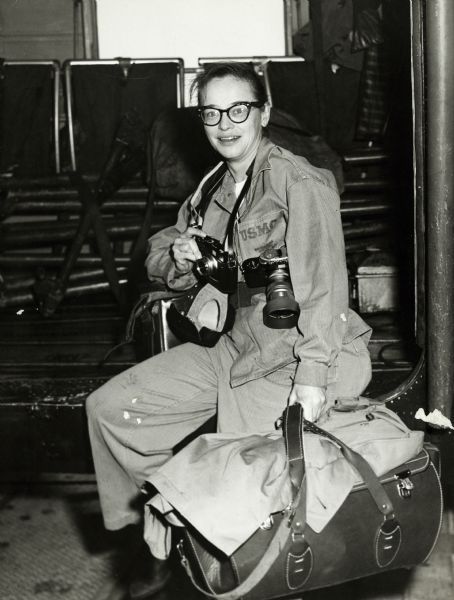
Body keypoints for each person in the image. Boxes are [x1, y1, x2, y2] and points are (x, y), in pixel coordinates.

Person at [86, 62, 372, 599]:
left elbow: (326, 287)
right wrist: (181, 254)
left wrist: (311, 379)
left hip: (302, 352)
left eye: (238, 109)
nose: (225, 123)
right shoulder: (213, 190)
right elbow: (154, 257)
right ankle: (170, 518)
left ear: (262, 113)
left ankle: (208, 531)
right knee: (112, 410)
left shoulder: (297, 180)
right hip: (238, 348)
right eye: (212, 112)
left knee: (248, 509)